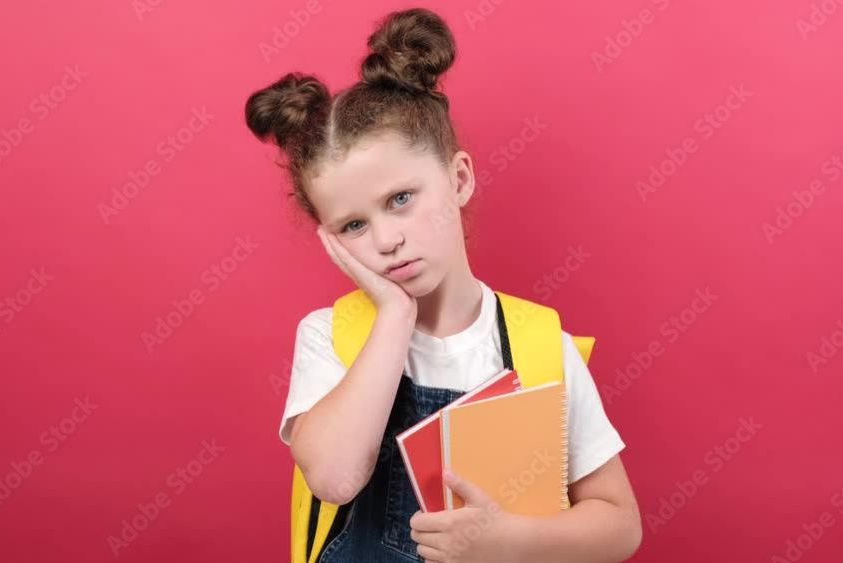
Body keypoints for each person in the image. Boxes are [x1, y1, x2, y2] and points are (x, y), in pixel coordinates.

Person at [245, 7, 642, 563]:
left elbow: (620, 525)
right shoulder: (330, 337)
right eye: (353, 226)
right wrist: (394, 316)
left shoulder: (540, 347)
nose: (386, 240)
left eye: (400, 199)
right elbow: (335, 479)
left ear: (458, 179)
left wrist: (508, 540)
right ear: (329, 239)